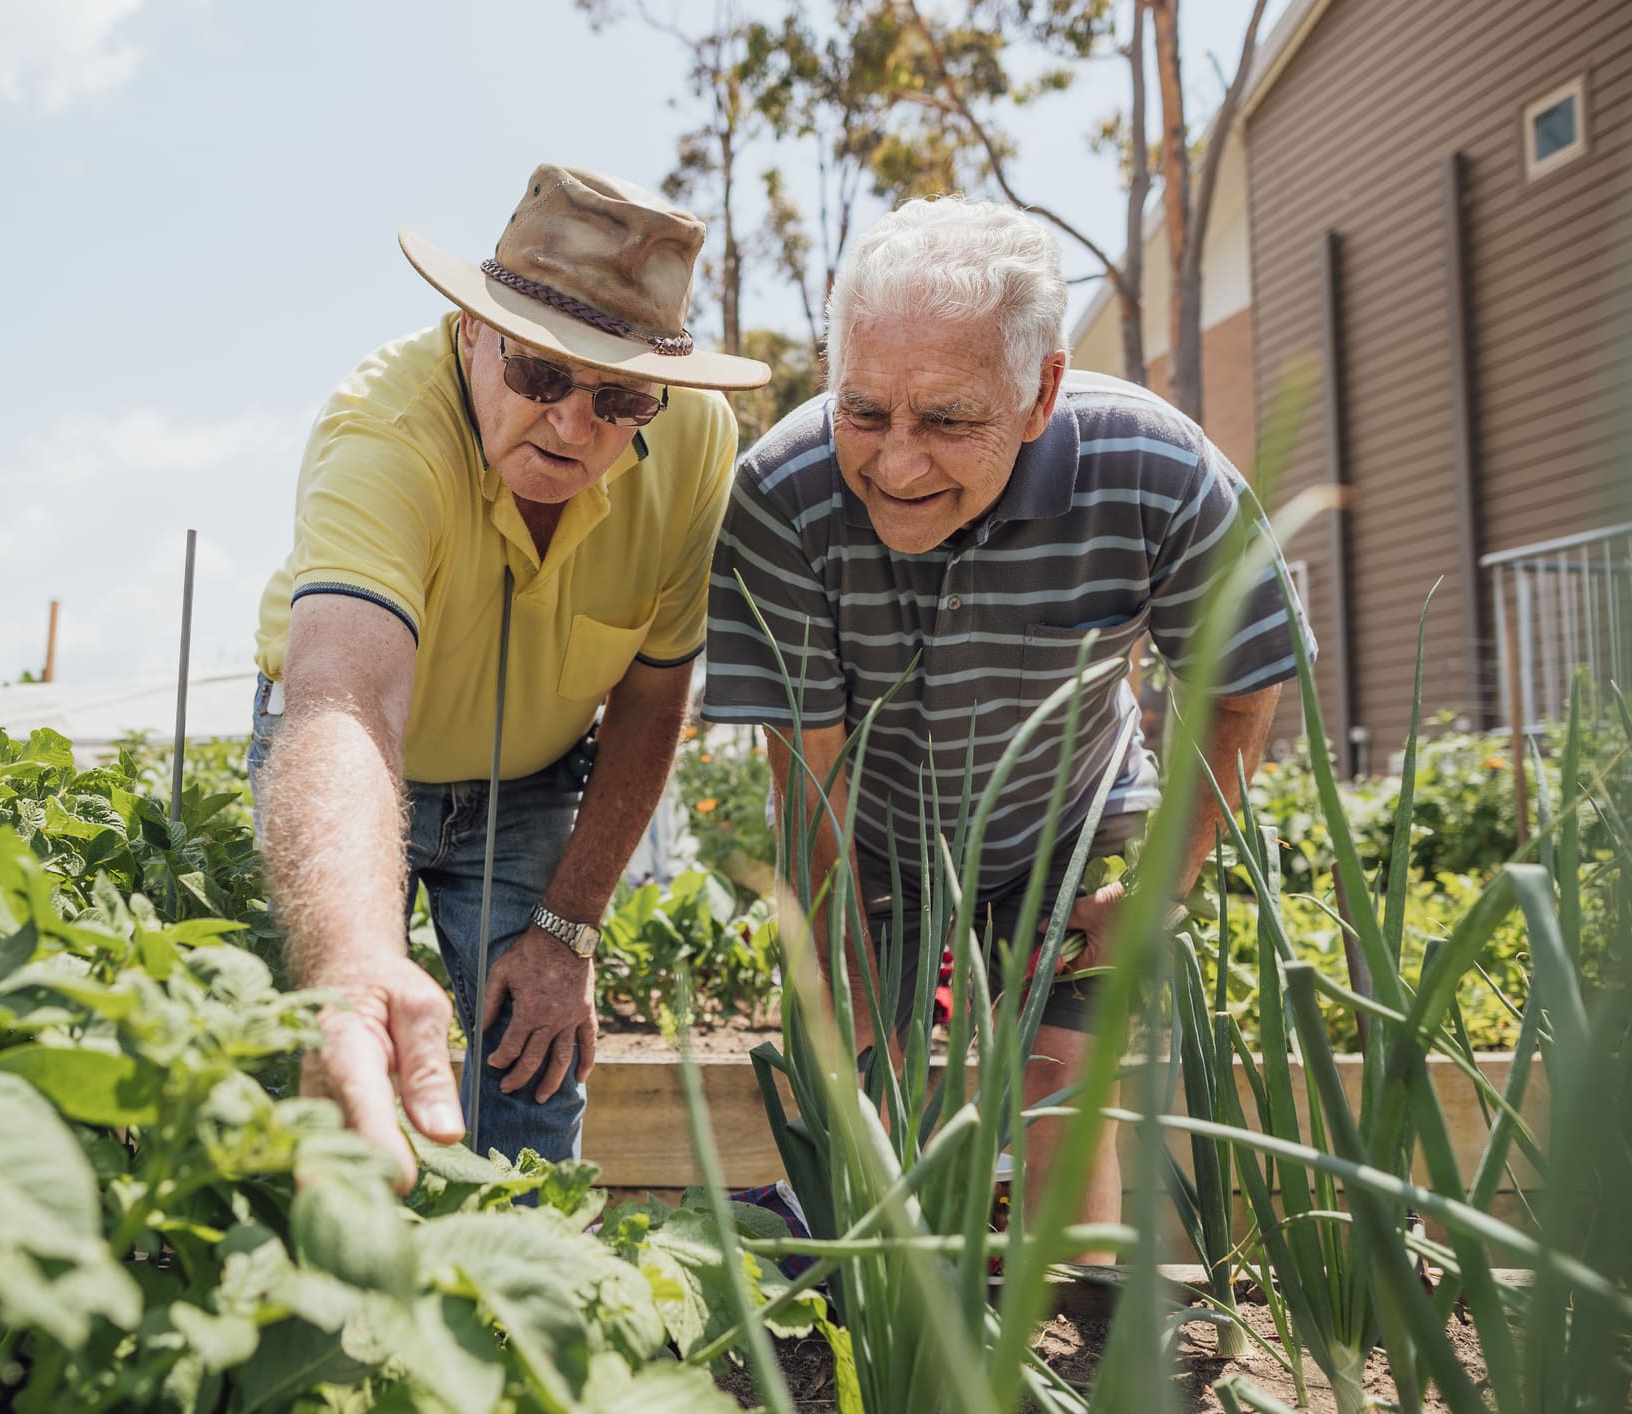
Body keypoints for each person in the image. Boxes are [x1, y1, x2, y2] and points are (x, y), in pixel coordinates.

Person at [703, 194, 1310, 1248]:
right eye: (865, 410)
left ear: (1041, 394)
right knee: (863, 1096)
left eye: (948, 419)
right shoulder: (786, 495)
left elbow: (1242, 684)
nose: (896, 464)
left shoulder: (1156, 472)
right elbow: (810, 777)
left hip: (1076, 819)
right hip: (879, 831)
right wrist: (844, 988)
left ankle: (1071, 1332)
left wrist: (1160, 883)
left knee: (1058, 1089)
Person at [248, 164, 769, 1187]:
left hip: (530, 779)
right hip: (360, 764)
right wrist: (356, 957)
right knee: (327, 1041)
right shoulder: (383, 435)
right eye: (540, 377)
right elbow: (345, 701)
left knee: (535, 1056)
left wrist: (568, 929)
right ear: (471, 333)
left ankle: (520, 1291)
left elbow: (655, 695)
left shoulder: (697, 443)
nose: (574, 427)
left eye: (618, 397)